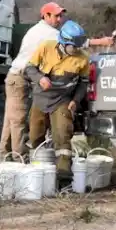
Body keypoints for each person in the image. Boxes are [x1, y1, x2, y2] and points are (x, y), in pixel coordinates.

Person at [0, 2, 67, 159]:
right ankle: (19, 158)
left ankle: (4, 155)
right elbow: (71, 42)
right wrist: (99, 42)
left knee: (11, 119)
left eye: (60, 15)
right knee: (18, 120)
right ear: (45, 16)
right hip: (19, 77)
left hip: (16, 77)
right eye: (56, 16)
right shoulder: (47, 32)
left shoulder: (38, 30)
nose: (59, 19)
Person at [24, 20, 91, 178]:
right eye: (73, 46)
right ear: (63, 42)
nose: (76, 50)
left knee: (62, 135)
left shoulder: (83, 59)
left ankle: (63, 173)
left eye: (78, 46)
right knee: (35, 135)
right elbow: (29, 68)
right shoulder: (46, 47)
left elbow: (83, 83)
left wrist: (76, 100)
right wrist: (40, 78)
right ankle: (36, 172)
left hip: (62, 100)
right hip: (41, 98)